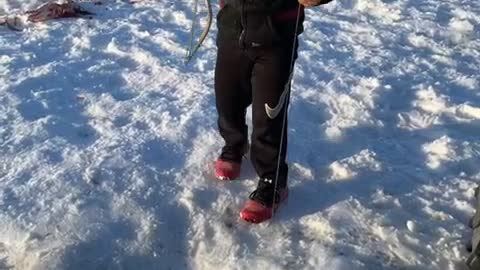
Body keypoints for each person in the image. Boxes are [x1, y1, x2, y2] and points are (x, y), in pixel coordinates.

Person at [214, 0, 333, 223]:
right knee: (227, 100)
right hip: (232, 29)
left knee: (269, 114)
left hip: (277, 37)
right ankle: (234, 146)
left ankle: (272, 180)